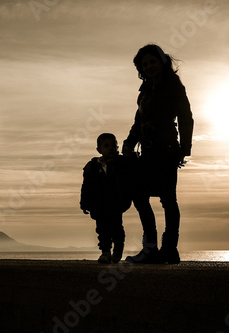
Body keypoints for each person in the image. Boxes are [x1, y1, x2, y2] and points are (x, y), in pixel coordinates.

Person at [122, 44, 194, 264]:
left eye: (152, 61)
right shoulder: (145, 92)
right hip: (147, 152)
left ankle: (169, 248)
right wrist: (128, 143)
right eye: (144, 64)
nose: (149, 66)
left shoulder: (173, 87)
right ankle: (151, 248)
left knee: (168, 199)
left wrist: (185, 149)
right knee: (139, 195)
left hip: (166, 150)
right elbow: (138, 122)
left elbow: (186, 118)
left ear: (162, 61)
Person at [80, 133, 132, 264]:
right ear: (99, 149)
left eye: (113, 145)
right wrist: (84, 203)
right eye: (106, 146)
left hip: (116, 203)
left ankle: (118, 250)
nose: (110, 148)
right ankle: (105, 252)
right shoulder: (93, 166)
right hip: (99, 204)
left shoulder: (121, 163)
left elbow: (127, 182)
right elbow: (86, 186)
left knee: (117, 228)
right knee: (102, 229)